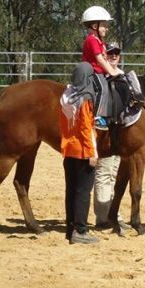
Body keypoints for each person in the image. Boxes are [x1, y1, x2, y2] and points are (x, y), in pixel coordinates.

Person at [59, 62, 99, 245]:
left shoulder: (66, 96)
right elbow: (86, 128)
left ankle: (70, 227)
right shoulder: (86, 98)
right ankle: (80, 231)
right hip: (83, 151)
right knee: (83, 191)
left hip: (68, 149)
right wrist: (92, 152)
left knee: (71, 190)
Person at [93, 41, 128, 230]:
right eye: (110, 53)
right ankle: (102, 217)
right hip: (105, 135)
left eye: (116, 53)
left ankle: (114, 214)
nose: (114, 56)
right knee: (104, 173)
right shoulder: (100, 78)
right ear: (105, 56)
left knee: (114, 174)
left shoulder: (122, 76)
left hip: (120, 135)